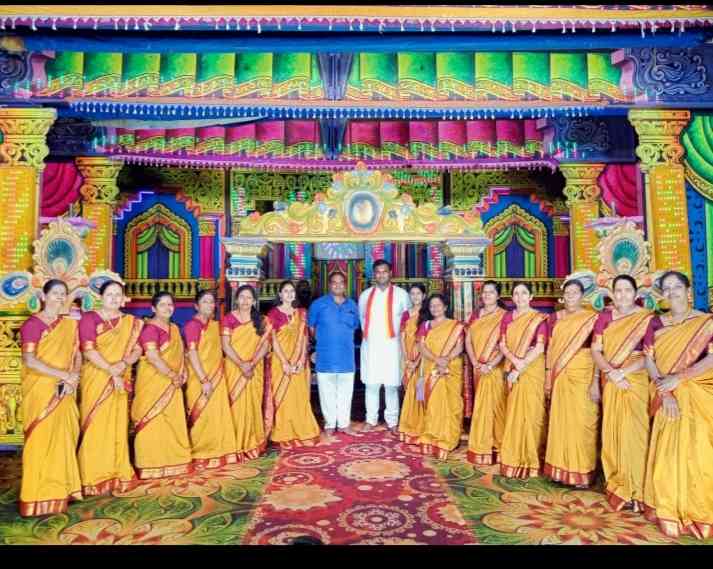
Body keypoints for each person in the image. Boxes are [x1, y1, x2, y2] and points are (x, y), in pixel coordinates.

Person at [643, 271, 713, 539]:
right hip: (666, 396)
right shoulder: (656, 323)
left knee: (700, 452)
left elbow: (711, 359)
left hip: (698, 395)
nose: (672, 292)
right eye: (667, 288)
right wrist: (665, 391)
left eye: (677, 287)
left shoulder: (706, 322)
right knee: (668, 454)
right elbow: (649, 360)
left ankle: (699, 511)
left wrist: (679, 379)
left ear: (688, 291)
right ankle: (669, 508)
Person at [18, 279, 82, 516]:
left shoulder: (70, 325)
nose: (59, 297)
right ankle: (36, 496)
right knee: (41, 440)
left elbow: (77, 354)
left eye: (63, 293)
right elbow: (30, 360)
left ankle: (62, 488)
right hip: (41, 390)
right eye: (55, 293)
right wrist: (64, 375)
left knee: (64, 438)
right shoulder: (32, 324)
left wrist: (73, 377)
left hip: (65, 387)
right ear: (43, 296)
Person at [591, 274, 654, 512]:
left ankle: (637, 490)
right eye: (618, 290)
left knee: (635, 434)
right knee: (613, 430)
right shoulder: (604, 317)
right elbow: (596, 350)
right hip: (612, 380)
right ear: (613, 294)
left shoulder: (647, 319)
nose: (623, 295)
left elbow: (650, 355)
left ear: (636, 294)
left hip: (635, 380)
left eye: (628, 290)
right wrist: (611, 372)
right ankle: (617, 485)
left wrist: (623, 372)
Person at [77, 280, 143, 495]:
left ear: (123, 298)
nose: (114, 298)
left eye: (118, 295)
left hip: (120, 377)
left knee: (117, 425)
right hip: (97, 378)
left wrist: (123, 364)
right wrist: (111, 370)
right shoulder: (89, 318)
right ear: (101, 297)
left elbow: (138, 349)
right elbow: (88, 350)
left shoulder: (131, 322)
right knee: (96, 425)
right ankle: (93, 477)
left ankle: (118, 473)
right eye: (110, 294)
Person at [543, 279, 600, 488]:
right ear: (563, 296)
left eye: (575, 292)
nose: (570, 296)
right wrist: (548, 377)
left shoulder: (592, 318)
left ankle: (582, 472)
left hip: (583, 375)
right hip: (560, 376)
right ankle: (558, 470)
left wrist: (595, 381)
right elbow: (550, 349)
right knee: (560, 422)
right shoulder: (554, 318)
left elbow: (598, 350)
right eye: (567, 293)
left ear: (582, 296)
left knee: (583, 422)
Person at [132, 291, 192, 479]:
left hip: (173, 383)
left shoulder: (174, 328)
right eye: (163, 305)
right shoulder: (150, 329)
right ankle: (150, 463)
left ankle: (174, 459)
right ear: (153, 308)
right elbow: (152, 356)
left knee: (172, 420)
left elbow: (181, 354)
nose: (167, 308)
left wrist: (182, 372)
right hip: (154, 382)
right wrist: (172, 374)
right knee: (153, 420)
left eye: (170, 304)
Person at [498, 282, 549, 479]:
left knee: (532, 413)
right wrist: (515, 362)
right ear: (512, 297)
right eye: (516, 294)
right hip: (513, 366)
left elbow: (540, 347)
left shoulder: (539, 319)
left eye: (524, 293)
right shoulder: (507, 317)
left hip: (532, 369)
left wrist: (521, 365)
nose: (520, 297)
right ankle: (513, 456)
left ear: (531, 296)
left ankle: (531, 459)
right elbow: (502, 344)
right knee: (514, 412)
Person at [184, 290, 238, 470]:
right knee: (203, 416)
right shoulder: (192, 325)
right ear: (196, 306)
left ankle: (219, 450)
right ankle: (202, 452)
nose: (209, 305)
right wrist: (204, 379)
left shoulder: (215, 325)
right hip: (201, 379)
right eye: (205, 302)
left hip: (218, 377)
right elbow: (192, 353)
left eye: (211, 302)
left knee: (217, 415)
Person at [358, 260, 410, 435]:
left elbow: (408, 321)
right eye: (378, 272)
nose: (381, 275)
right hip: (372, 346)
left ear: (390, 273)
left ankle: (392, 421)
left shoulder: (402, 295)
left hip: (393, 347)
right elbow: (362, 319)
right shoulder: (365, 295)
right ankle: (370, 420)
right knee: (371, 385)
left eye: (384, 271)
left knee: (391, 386)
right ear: (374, 274)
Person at [267, 280, 321, 448]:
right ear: (280, 294)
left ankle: (302, 429)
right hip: (280, 363)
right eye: (286, 291)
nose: (289, 294)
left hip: (299, 362)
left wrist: (300, 360)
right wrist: (285, 362)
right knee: (283, 398)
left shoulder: (302, 313)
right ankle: (283, 432)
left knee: (299, 397)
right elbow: (273, 340)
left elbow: (304, 338)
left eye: (292, 291)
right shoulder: (273, 314)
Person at [307, 272, 361, 437]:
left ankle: (344, 423)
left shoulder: (352, 305)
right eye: (334, 282)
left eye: (341, 282)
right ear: (329, 285)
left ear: (345, 285)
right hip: (325, 357)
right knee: (326, 392)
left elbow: (355, 327)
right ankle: (330, 424)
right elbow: (311, 328)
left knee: (346, 393)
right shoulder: (318, 304)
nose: (338, 285)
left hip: (346, 357)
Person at [222, 284, 272, 461]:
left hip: (254, 368)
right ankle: (236, 444)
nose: (245, 301)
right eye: (242, 297)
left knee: (253, 404)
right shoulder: (228, 319)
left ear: (254, 301)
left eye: (249, 297)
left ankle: (253, 442)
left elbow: (265, 345)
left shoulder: (261, 320)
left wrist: (251, 363)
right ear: (236, 299)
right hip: (235, 368)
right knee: (236, 405)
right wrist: (242, 364)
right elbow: (226, 345)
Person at [417, 293, 465, 459]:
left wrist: (446, 359)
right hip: (432, 368)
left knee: (451, 403)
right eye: (432, 306)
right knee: (433, 404)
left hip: (450, 368)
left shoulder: (455, 326)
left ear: (445, 307)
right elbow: (421, 347)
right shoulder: (426, 325)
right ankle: (432, 435)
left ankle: (449, 437)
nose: (435, 308)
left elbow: (460, 346)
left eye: (438, 305)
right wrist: (437, 359)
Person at [465, 280, 507, 466]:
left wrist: (490, 364)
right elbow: (468, 340)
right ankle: (481, 445)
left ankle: (497, 446)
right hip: (477, 367)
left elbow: (505, 344)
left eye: (491, 292)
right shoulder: (476, 315)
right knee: (481, 406)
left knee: (495, 406)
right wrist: (475, 362)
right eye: (484, 292)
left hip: (494, 368)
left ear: (498, 295)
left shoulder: (504, 316)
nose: (487, 295)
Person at [397, 283, 427, 444]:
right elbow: (402, 337)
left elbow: (426, 341)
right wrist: (407, 359)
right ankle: (410, 424)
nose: (415, 296)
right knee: (409, 390)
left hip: (423, 360)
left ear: (424, 296)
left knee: (420, 391)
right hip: (408, 357)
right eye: (412, 294)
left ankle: (421, 425)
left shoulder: (427, 313)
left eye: (418, 293)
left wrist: (416, 362)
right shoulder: (406, 314)